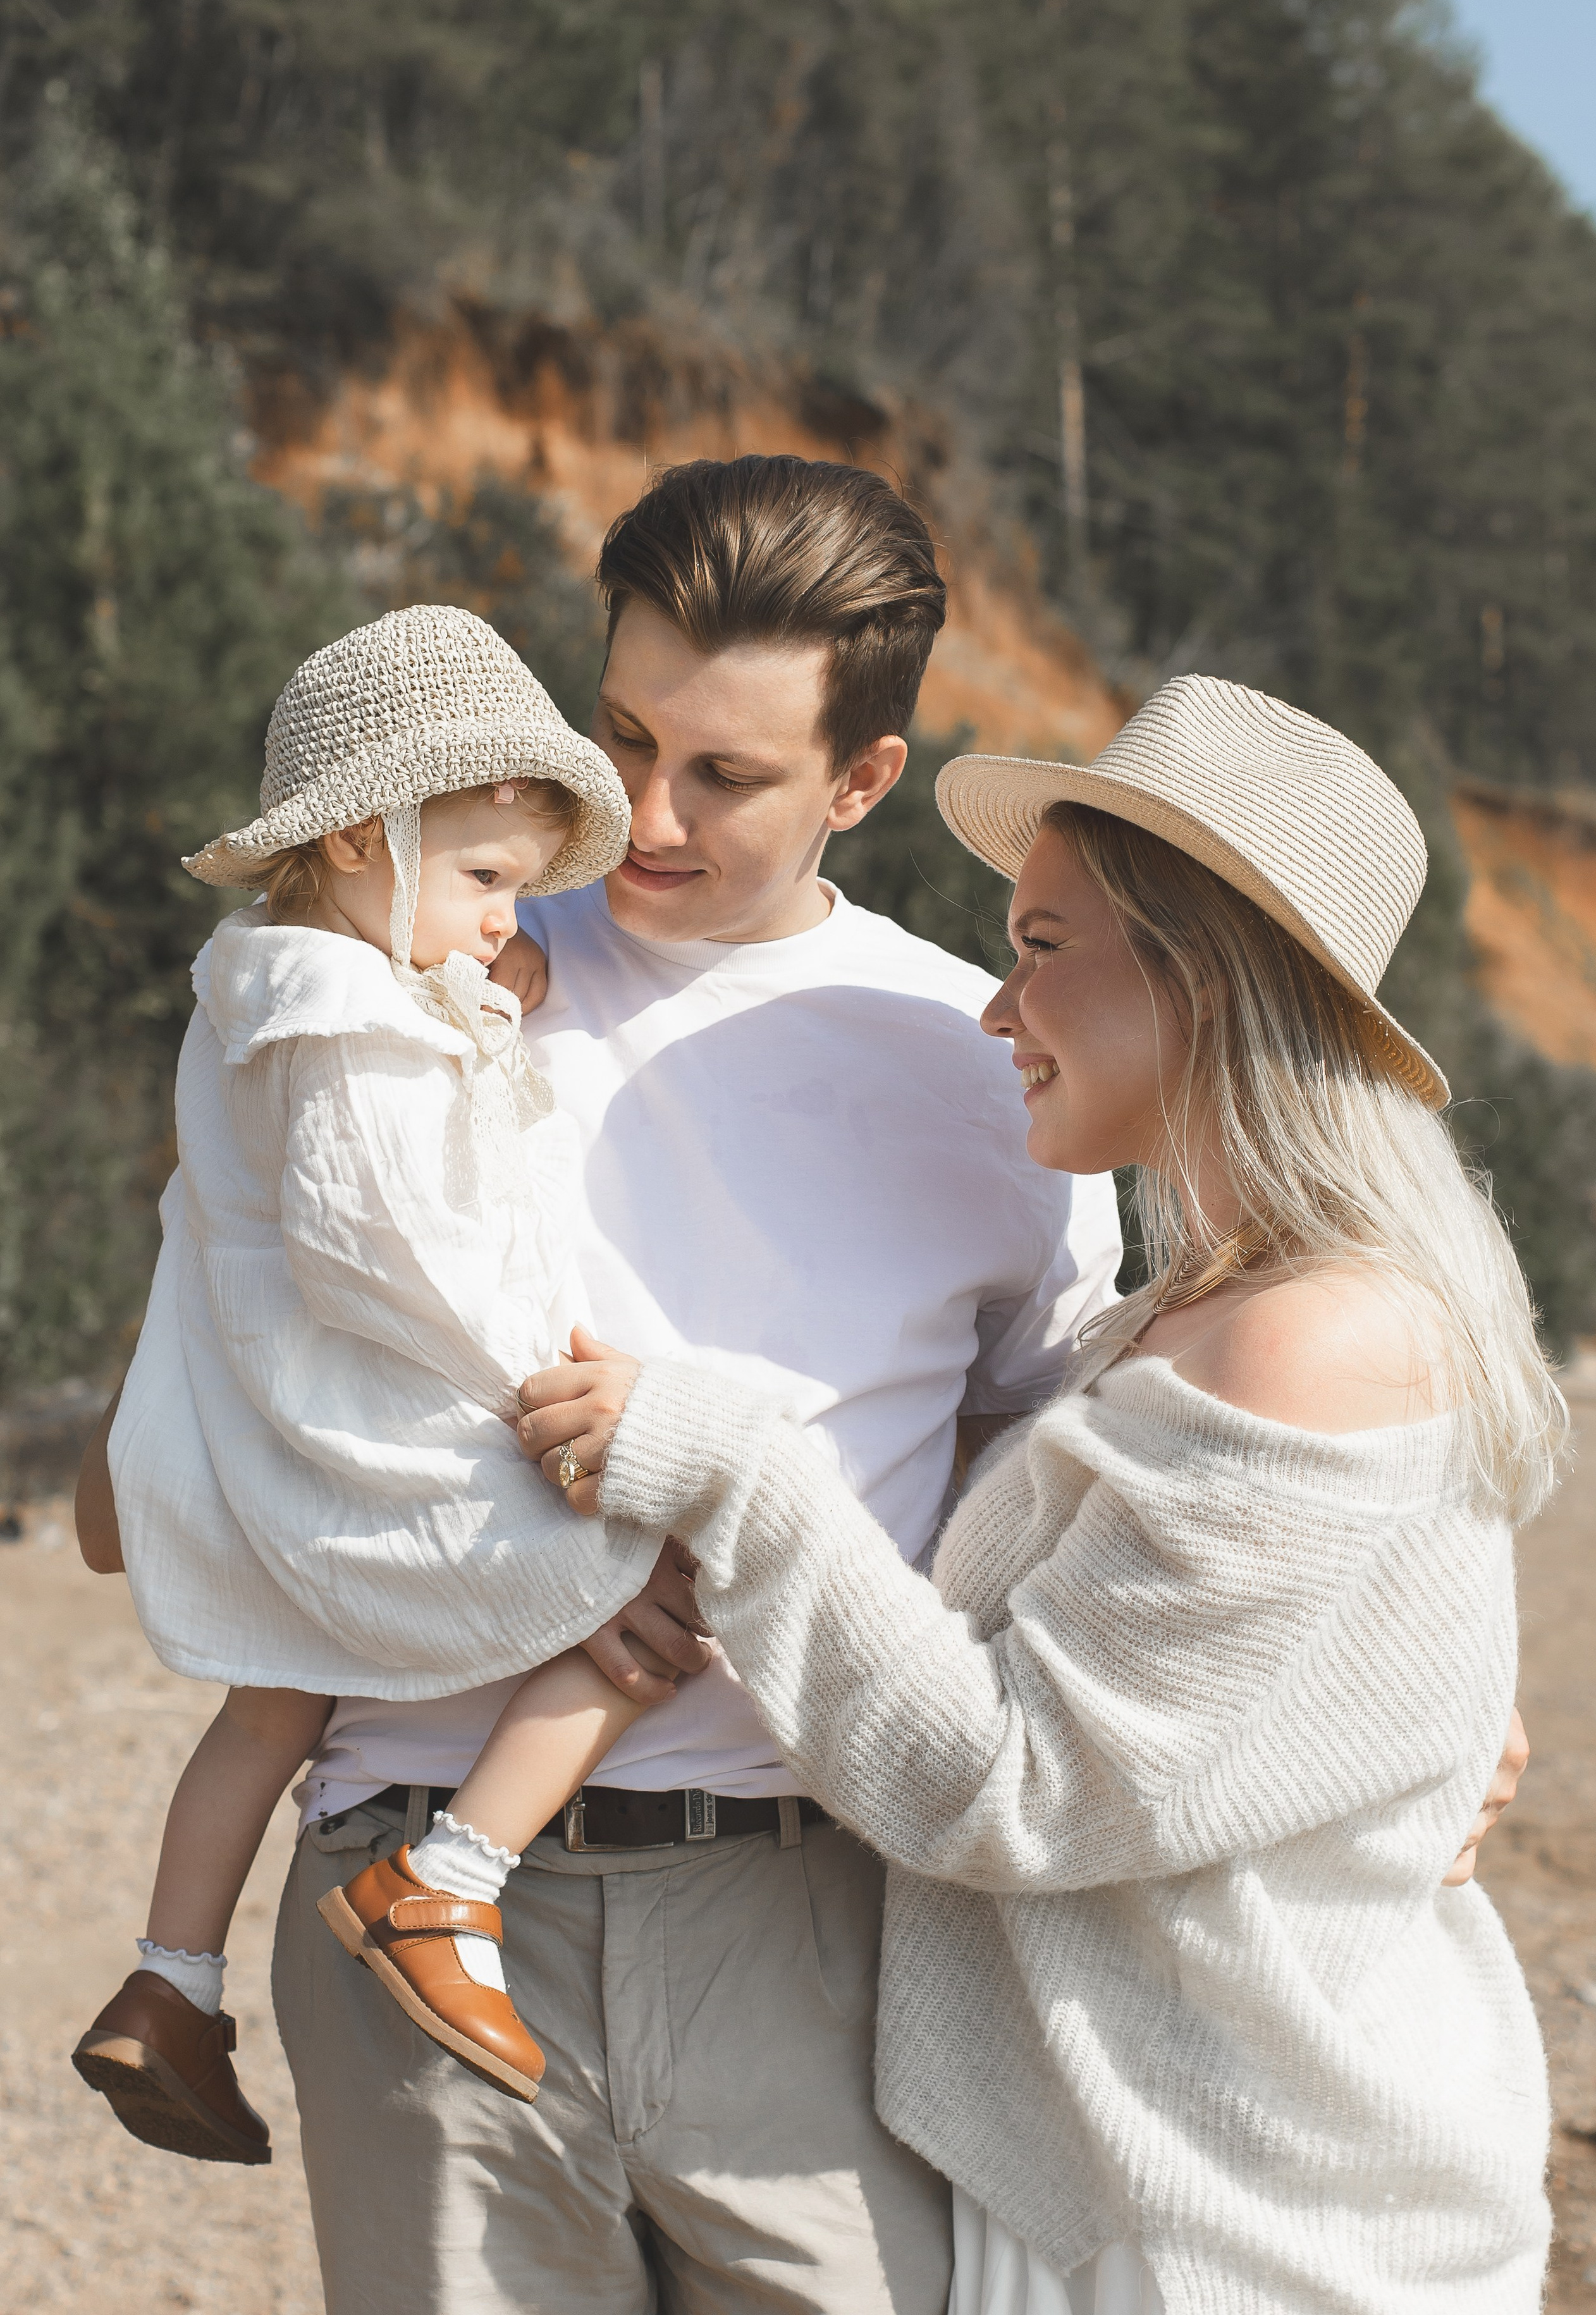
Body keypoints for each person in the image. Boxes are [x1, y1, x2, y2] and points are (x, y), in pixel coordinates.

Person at [524, 673, 1561, 2315]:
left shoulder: (1312, 1336)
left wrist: (735, 1470)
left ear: (1205, 976)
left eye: (1041, 949)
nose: (999, 1015)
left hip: (1252, 2237)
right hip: (1157, 2194)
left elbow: (1017, 1787)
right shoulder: (1204, 1311)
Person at [268, 456, 1126, 2314]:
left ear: (863, 782)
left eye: (724, 774)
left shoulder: (991, 1065)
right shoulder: (416, 976)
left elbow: (1080, 1502)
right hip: (413, 1875)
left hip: (825, 1924)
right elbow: (205, 1408)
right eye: (624, 734)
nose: (642, 816)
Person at [71, 603, 697, 2155]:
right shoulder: (336, 1018)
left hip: (282, 1419)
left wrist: (479, 987)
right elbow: (378, 1247)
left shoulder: (279, 993)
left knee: (274, 1699)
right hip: (380, 1410)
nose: (506, 921)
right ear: (361, 843)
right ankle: (450, 1882)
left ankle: (167, 1980)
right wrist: (534, 1391)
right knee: (656, 1593)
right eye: (484, 882)